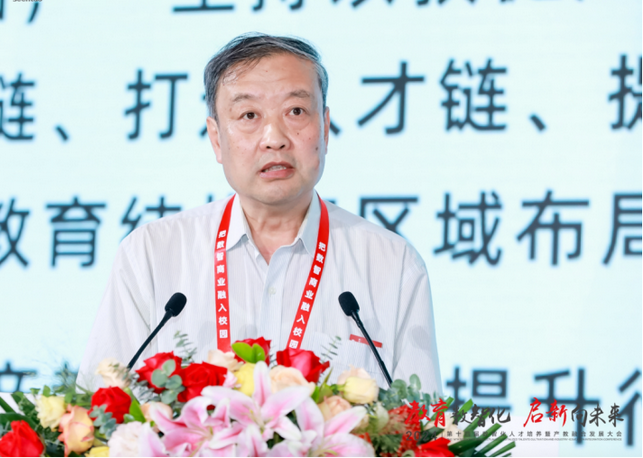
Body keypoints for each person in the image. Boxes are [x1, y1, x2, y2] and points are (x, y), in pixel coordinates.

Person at [77, 33, 441, 395]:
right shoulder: (151, 254)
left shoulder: (393, 264)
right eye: (249, 115)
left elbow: (423, 422)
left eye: (296, 111)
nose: (274, 138)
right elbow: (99, 406)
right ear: (216, 139)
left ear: (325, 128)